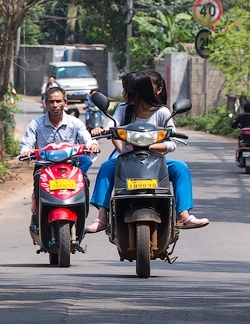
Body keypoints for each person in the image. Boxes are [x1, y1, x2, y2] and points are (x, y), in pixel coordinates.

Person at [85, 70, 209, 233]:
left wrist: (149, 146)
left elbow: (172, 143)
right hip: (125, 160)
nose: (123, 93)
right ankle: (101, 217)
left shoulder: (162, 113)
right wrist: (104, 130)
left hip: (156, 161)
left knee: (180, 167)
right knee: (107, 167)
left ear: (139, 91)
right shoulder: (124, 110)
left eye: (126, 89)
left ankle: (184, 215)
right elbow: (113, 126)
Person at [20, 86, 100, 215]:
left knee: (83, 181)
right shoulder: (36, 123)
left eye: (58, 101)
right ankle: (38, 215)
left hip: (70, 167)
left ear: (65, 102)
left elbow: (87, 138)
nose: (55, 105)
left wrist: (92, 145)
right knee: (38, 182)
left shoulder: (75, 123)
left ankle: (81, 214)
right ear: (46, 103)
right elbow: (26, 143)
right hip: (44, 167)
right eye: (51, 102)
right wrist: (26, 151)